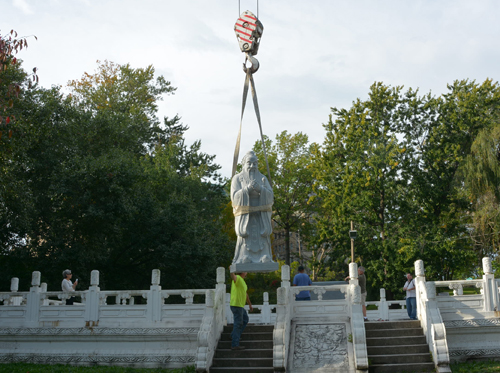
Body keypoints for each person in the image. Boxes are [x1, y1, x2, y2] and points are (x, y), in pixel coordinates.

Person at [231, 151, 274, 264]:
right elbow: (234, 197)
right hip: (246, 215)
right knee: (246, 236)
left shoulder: (263, 178)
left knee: (262, 235)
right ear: (243, 164)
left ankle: (265, 256)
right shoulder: (237, 178)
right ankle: (244, 256)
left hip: (261, 214)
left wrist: (261, 189)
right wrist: (247, 190)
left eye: (255, 163)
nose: (252, 166)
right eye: (249, 163)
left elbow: (270, 197)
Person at [229, 270, 253, 350]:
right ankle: (235, 344)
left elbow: (245, 294)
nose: (246, 271)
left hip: (240, 306)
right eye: (245, 271)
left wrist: (249, 304)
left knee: (245, 319)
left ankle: (234, 335)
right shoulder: (238, 278)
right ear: (242, 272)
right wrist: (231, 271)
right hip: (236, 305)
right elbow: (233, 277)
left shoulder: (243, 281)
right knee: (238, 324)